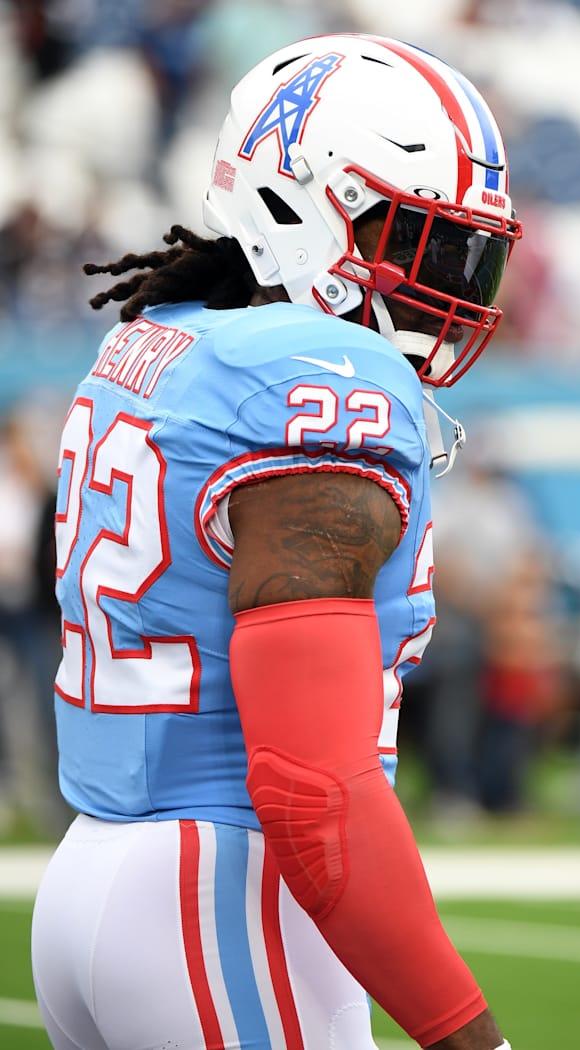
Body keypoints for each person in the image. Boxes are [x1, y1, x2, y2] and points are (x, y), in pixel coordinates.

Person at [30, 33, 522, 1050]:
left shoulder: (166, 340)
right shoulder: (318, 379)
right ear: (303, 205)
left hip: (98, 872)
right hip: (225, 892)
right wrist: (470, 1037)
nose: (453, 281)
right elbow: (313, 789)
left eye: (468, 249)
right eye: (419, 238)